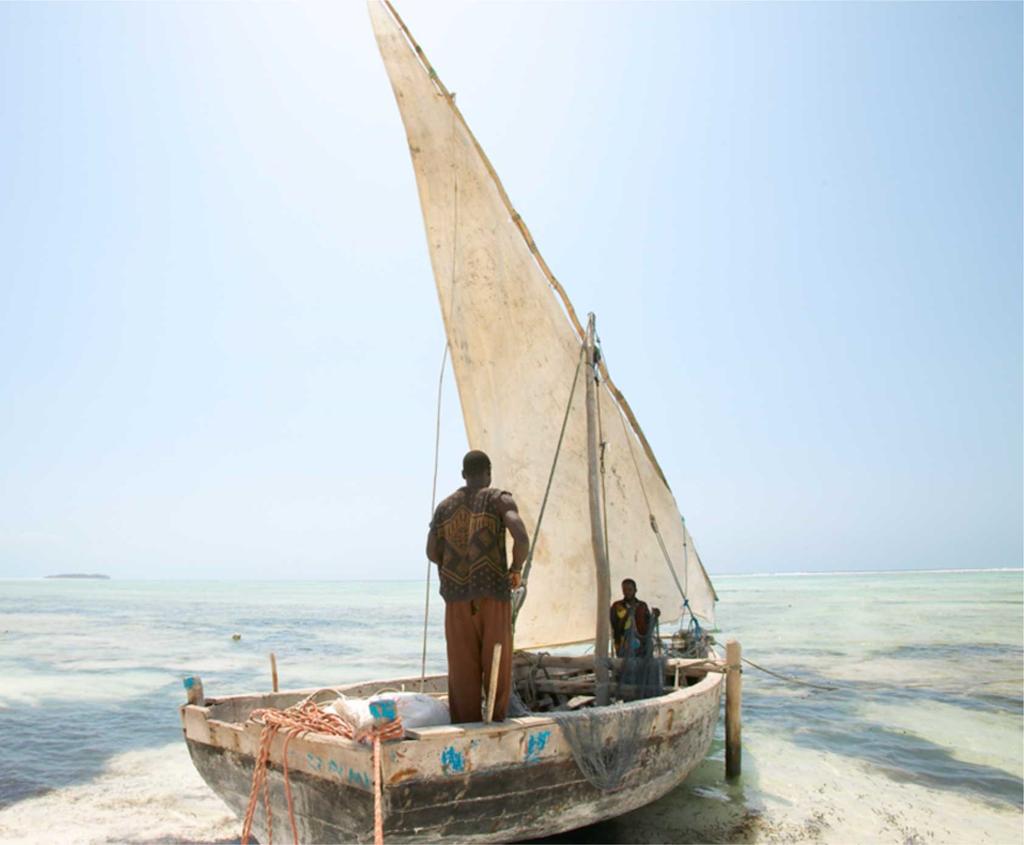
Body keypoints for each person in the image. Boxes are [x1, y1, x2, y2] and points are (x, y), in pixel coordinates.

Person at [426, 450, 528, 723]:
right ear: (489, 472)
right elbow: (521, 538)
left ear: (463, 474)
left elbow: (431, 551)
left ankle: (465, 724)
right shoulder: (499, 499)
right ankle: (495, 722)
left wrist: (454, 566)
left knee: (462, 668)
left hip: (457, 599)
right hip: (492, 592)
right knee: (496, 662)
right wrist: (515, 569)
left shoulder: (444, 508)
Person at [609, 578, 660, 658]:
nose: (627, 592)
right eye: (624, 590)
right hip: (624, 647)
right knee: (627, 667)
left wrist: (655, 616)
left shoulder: (642, 605)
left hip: (642, 646)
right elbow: (614, 627)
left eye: (629, 589)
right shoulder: (617, 606)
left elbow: (648, 626)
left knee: (643, 667)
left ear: (635, 590)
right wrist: (627, 616)